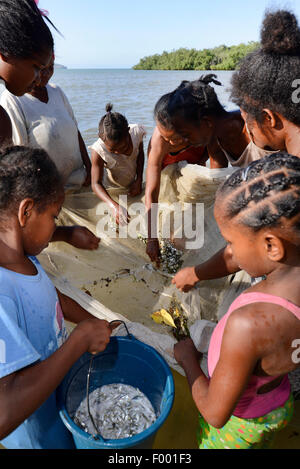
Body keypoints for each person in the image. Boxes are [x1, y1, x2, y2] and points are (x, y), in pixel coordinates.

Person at [174, 153, 300, 449]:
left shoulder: (250, 325)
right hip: (279, 401)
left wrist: (189, 360)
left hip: (239, 427)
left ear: (271, 245)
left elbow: (216, 413)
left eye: (230, 242)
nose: (229, 251)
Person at [172, 9, 300, 293]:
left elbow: (244, 248)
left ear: (269, 118)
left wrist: (195, 272)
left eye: (248, 118)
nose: (246, 127)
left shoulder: (288, 175)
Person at [0, 146, 116, 449]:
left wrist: (94, 323)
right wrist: (78, 342)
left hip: (57, 404)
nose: (55, 226)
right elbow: (3, 412)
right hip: (35, 435)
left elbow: (53, 300)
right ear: (26, 211)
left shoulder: (23, 257)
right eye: (54, 216)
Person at [0, 0, 99, 251]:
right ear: (6, 52)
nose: (38, 78)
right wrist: (63, 233)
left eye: (46, 69)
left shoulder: (54, 94)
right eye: (35, 67)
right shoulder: (7, 110)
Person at [145, 74, 269, 266]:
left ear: (205, 122)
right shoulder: (213, 138)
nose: (183, 141)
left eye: (184, 134)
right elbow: (218, 184)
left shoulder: (253, 128)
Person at [0, 54, 92, 192]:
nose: (46, 74)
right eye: (41, 69)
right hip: (46, 190)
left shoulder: (57, 91)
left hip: (80, 180)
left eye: (51, 68)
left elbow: (75, 131)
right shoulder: (12, 100)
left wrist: (90, 168)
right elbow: (20, 154)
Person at [90, 103, 146, 225]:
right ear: (101, 138)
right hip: (111, 191)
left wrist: (139, 179)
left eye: (123, 147)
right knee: (117, 225)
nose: (118, 152)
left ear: (128, 132)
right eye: (113, 150)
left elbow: (140, 155)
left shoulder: (136, 133)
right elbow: (95, 184)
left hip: (131, 185)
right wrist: (113, 205)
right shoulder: (98, 151)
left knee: (139, 219)